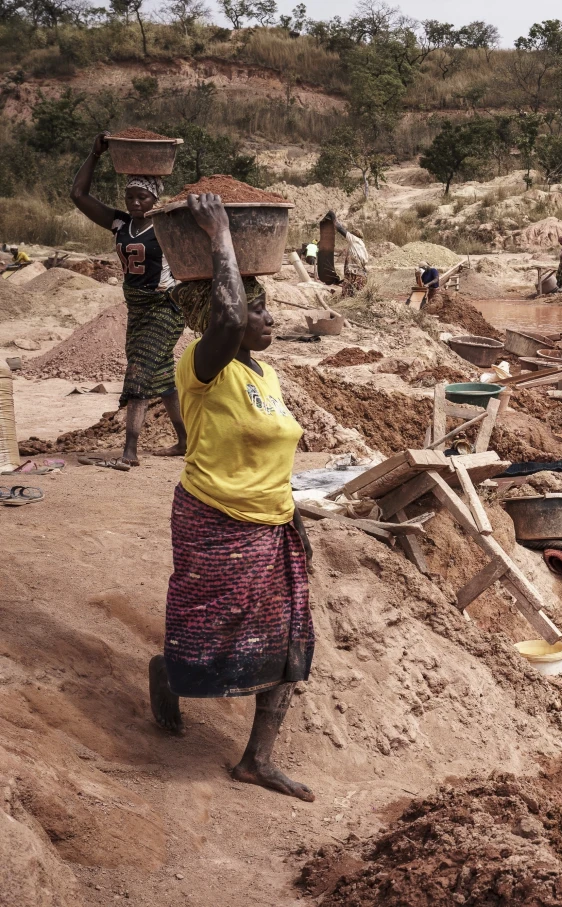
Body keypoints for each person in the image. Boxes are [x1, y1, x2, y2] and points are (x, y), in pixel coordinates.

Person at [148, 191, 316, 802]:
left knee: (291, 644)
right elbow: (222, 317)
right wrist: (219, 234)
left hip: (272, 526)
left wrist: (290, 510)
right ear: (229, 311)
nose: (270, 318)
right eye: (259, 308)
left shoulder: (264, 374)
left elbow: (272, 449)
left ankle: (256, 760)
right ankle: (168, 673)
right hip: (215, 522)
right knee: (204, 636)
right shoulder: (200, 363)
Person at [70, 131, 187, 467]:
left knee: (138, 373)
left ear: (155, 200)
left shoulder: (166, 225)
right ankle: (184, 441)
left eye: (143, 197)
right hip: (135, 308)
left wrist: (179, 287)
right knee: (162, 375)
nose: (136, 202)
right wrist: (95, 154)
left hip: (164, 307)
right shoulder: (120, 223)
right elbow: (78, 194)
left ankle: (129, 451)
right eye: (131, 195)